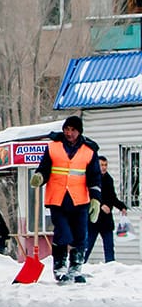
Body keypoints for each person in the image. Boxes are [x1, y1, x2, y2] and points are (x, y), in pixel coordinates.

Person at [30, 115, 102, 284]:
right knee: (63, 233)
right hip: (58, 198)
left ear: (79, 132)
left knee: (80, 236)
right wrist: (40, 177)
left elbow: (95, 177)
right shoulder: (53, 147)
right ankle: (60, 267)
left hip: (79, 199)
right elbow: (45, 168)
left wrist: (96, 199)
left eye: (73, 130)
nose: (69, 133)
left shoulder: (89, 150)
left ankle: (76, 268)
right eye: (67, 129)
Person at [86, 156, 129, 263]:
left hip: (106, 220)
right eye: (101, 165)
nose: (104, 168)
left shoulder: (108, 179)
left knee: (109, 247)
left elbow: (112, 197)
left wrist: (121, 206)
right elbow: (88, 196)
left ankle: (110, 266)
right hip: (94, 218)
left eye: (105, 165)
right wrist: (100, 206)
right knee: (88, 245)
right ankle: (79, 265)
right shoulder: (91, 178)